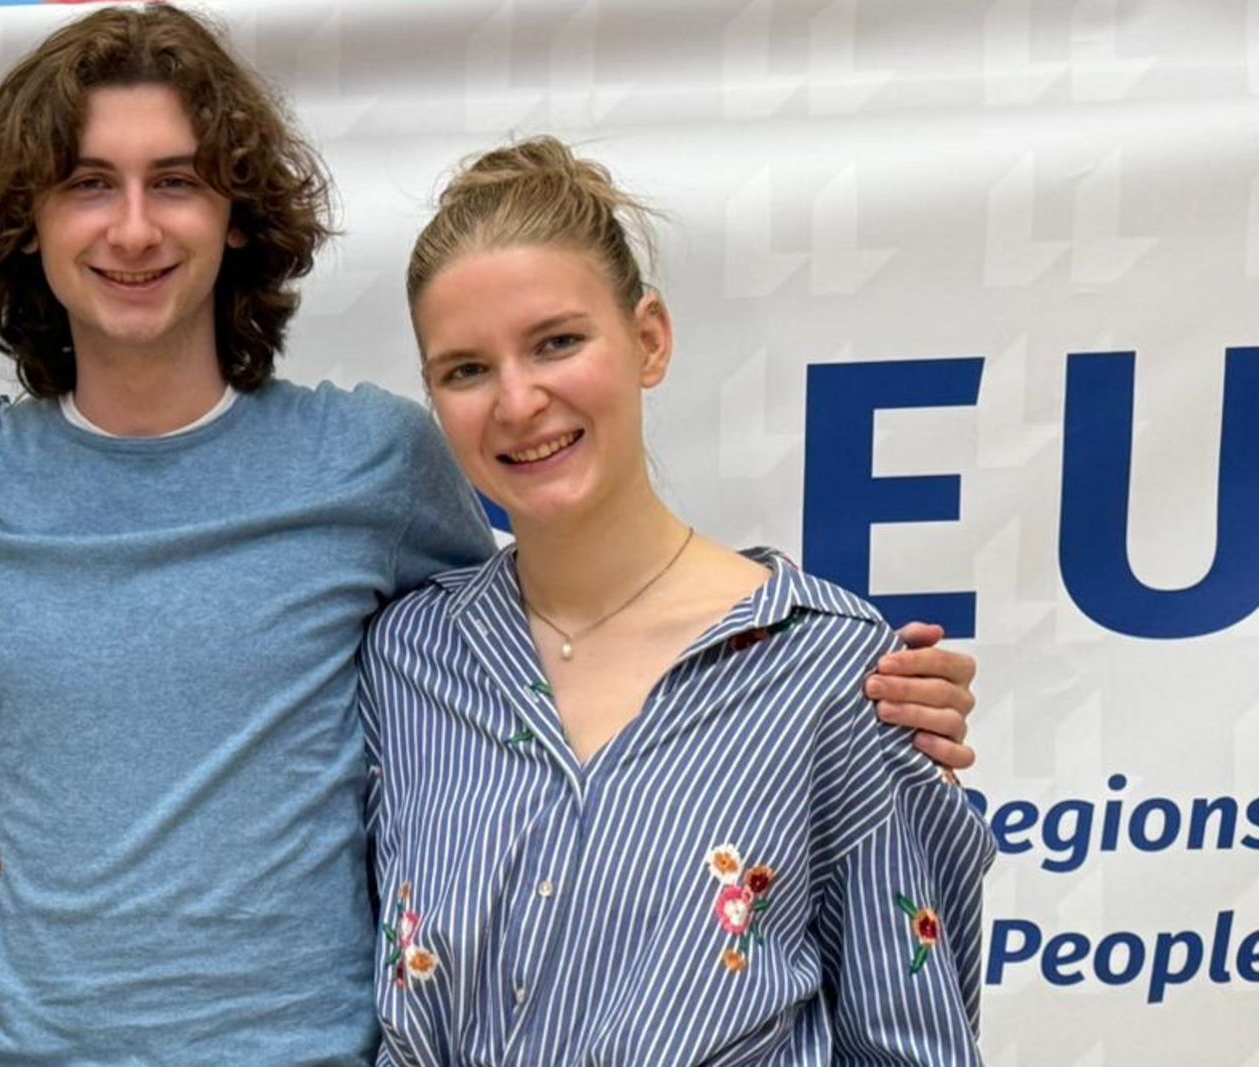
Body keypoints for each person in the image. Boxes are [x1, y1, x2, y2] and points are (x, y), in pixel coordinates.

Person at [0, 7, 983, 1065]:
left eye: (174, 181)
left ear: (240, 216)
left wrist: (819, 675)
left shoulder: (368, 459)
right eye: (88, 184)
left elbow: (574, 594)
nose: (134, 225)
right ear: (32, 227)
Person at [360, 138, 990, 1064]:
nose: (518, 399)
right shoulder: (407, 659)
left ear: (647, 339)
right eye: (466, 369)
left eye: (557, 342)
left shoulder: (830, 669)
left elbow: (913, 1044)